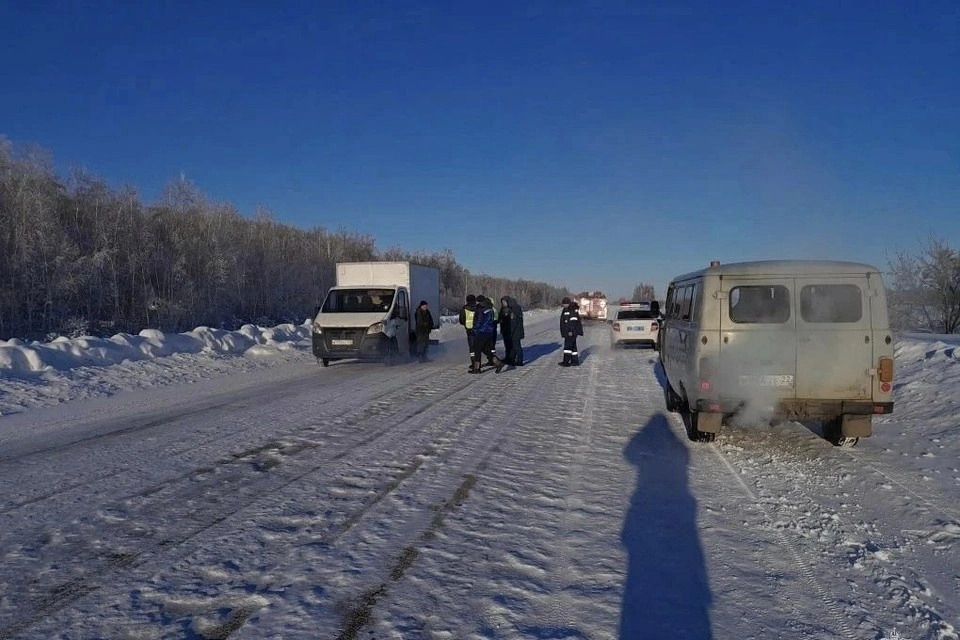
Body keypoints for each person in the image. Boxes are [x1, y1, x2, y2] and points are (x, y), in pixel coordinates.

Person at [470, 295, 505, 374]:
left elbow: (478, 322)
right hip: (489, 332)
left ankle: (477, 368)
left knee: (477, 349)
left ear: (479, 301)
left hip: (481, 332)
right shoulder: (490, 309)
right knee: (486, 350)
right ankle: (498, 363)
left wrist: (474, 329)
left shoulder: (480, 309)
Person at [499, 296, 525, 366]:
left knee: (516, 346)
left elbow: (514, 322)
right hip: (507, 331)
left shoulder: (514, 308)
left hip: (515, 331)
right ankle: (510, 358)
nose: (503, 303)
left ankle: (520, 360)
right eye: (502, 302)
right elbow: (501, 318)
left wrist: (511, 331)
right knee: (509, 346)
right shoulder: (504, 309)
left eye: (504, 302)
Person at [559, 296, 583, 366]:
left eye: (564, 304)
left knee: (568, 347)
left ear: (567, 303)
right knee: (573, 347)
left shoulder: (571, 310)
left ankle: (566, 362)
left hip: (571, 332)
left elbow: (572, 322)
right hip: (571, 332)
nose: (563, 305)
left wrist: (570, 331)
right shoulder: (567, 309)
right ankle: (575, 361)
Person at [458, 294, 478, 366]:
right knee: (478, 346)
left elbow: (461, 320)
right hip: (478, 329)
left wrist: (465, 324)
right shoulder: (478, 308)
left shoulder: (465, 308)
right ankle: (478, 361)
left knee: (471, 346)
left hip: (469, 329)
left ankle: (473, 362)